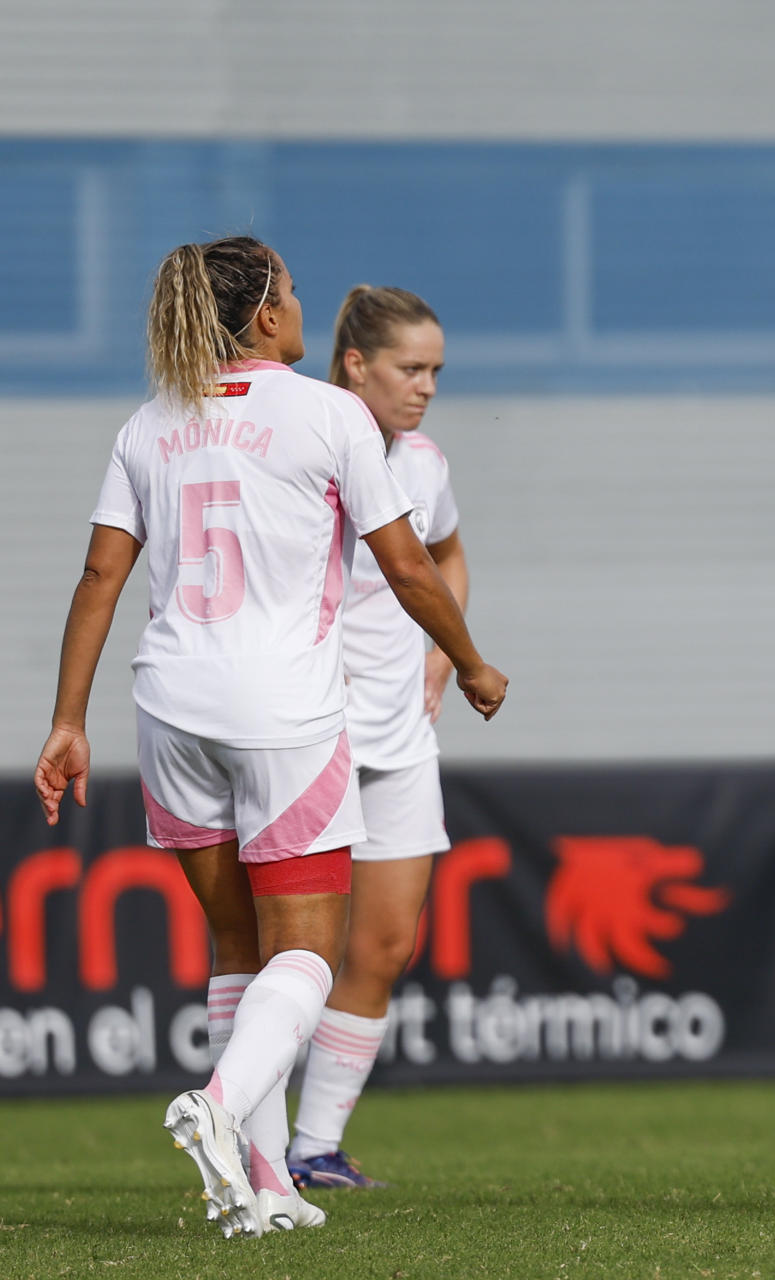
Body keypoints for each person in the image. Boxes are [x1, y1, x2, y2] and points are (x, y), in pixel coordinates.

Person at [31, 236, 508, 1239]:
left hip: (166, 702)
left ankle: (264, 1183)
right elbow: (414, 569)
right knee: (308, 954)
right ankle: (216, 1100)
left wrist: (68, 719)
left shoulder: (149, 423)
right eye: (290, 291)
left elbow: (98, 580)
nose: (301, 303)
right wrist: (468, 660)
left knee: (238, 948)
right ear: (263, 320)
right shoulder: (330, 415)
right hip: (280, 708)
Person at [286, 286, 464, 1189]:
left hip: (401, 741)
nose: (426, 386)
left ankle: (314, 1147)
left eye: (435, 370)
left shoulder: (424, 463)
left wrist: (444, 647)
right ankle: (243, 1145)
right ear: (355, 364)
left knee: (385, 947)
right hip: (310, 739)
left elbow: (450, 555)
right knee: (294, 955)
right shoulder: (306, 449)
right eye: (410, 368)